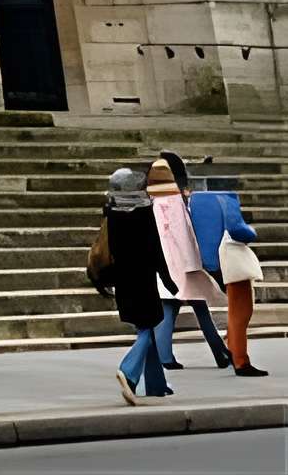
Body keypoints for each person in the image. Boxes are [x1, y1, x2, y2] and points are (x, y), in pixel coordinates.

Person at [147, 155, 231, 371]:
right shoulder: (175, 200)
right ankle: (220, 353)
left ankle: (167, 356)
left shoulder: (153, 202)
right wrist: (192, 263)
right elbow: (182, 235)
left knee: (170, 308)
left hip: (165, 265)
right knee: (198, 308)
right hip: (183, 264)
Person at [185, 162, 267, 377]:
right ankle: (241, 360)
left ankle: (232, 348)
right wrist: (252, 232)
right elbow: (237, 228)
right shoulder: (226, 198)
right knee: (241, 311)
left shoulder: (196, 200)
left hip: (211, 259)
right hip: (231, 257)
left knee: (235, 310)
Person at [104, 164, 177, 402]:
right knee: (148, 326)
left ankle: (156, 384)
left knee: (145, 325)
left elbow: (111, 248)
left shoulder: (111, 213)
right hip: (143, 278)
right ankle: (128, 371)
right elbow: (156, 250)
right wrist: (169, 280)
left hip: (122, 278)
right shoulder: (144, 213)